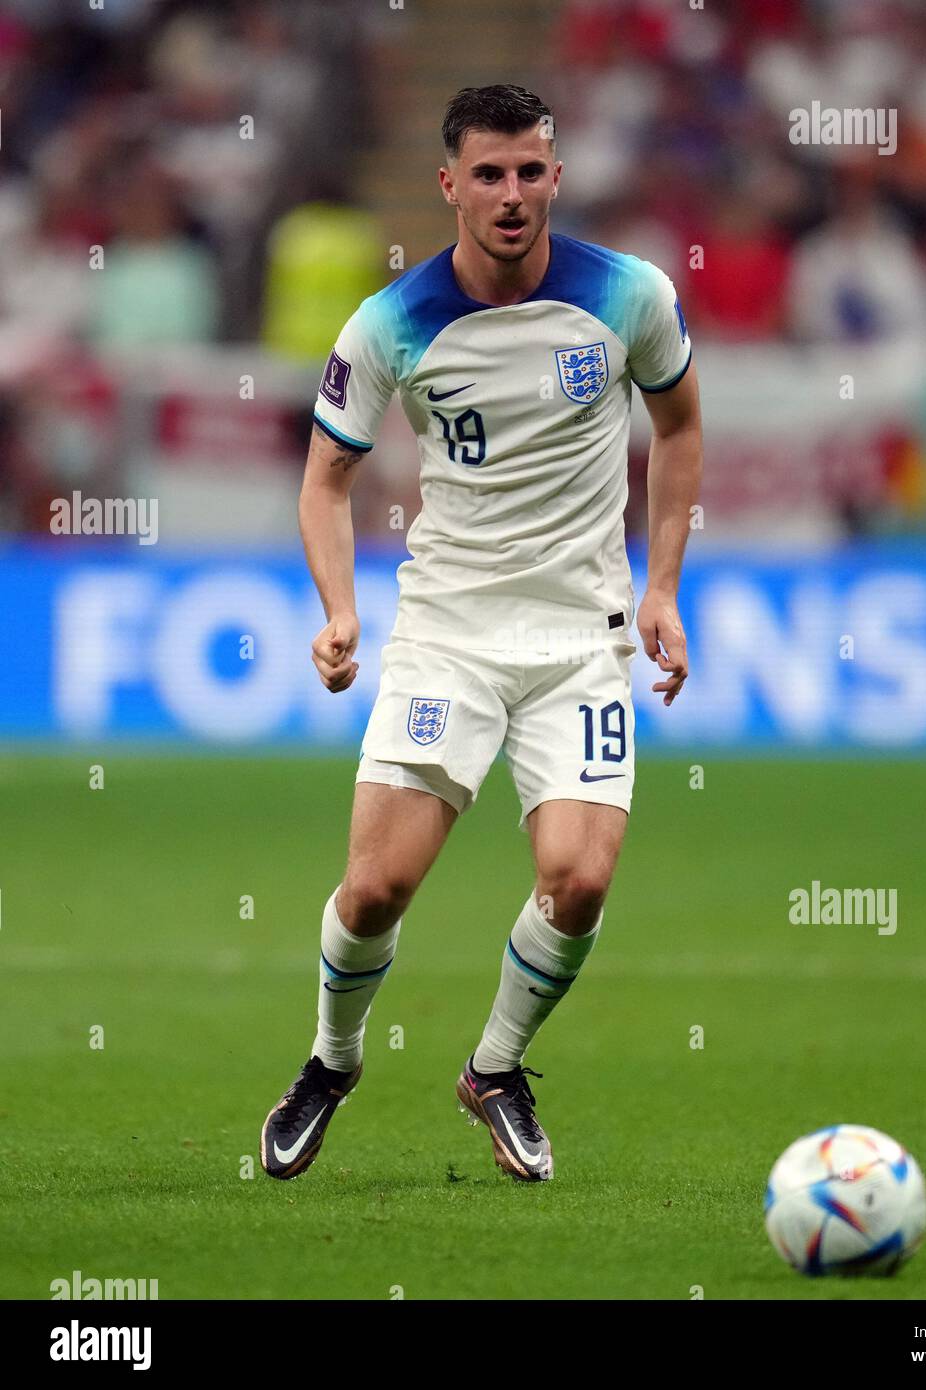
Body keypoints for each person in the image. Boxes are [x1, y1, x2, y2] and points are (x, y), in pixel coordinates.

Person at [260, 84, 702, 1183]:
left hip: (581, 637)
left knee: (580, 877)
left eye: (530, 171)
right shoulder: (390, 323)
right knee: (373, 891)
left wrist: (662, 589)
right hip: (447, 635)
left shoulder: (629, 296)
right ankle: (330, 1062)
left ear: (557, 174)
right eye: (489, 175)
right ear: (449, 185)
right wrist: (339, 609)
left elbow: (681, 423)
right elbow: (325, 482)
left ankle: (494, 1070)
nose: (512, 195)